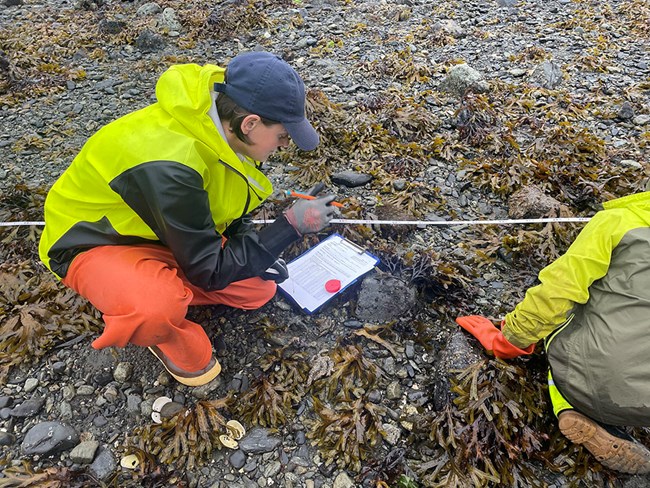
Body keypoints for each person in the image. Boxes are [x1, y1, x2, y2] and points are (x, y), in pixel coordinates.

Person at [39, 51, 339, 387]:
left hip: (161, 233)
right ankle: (153, 320)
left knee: (258, 290)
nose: (284, 145)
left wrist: (260, 248)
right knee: (157, 309)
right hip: (96, 242)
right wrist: (289, 227)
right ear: (250, 123)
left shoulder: (222, 133)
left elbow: (225, 214)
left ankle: (159, 283)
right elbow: (209, 271)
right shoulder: (173, 165)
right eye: (283, 136)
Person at [456, 191, 650, 474]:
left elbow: (556, 294)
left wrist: (508, 340)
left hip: (607, 385)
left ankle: (573, 407)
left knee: (561, 325)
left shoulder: (619, 221)